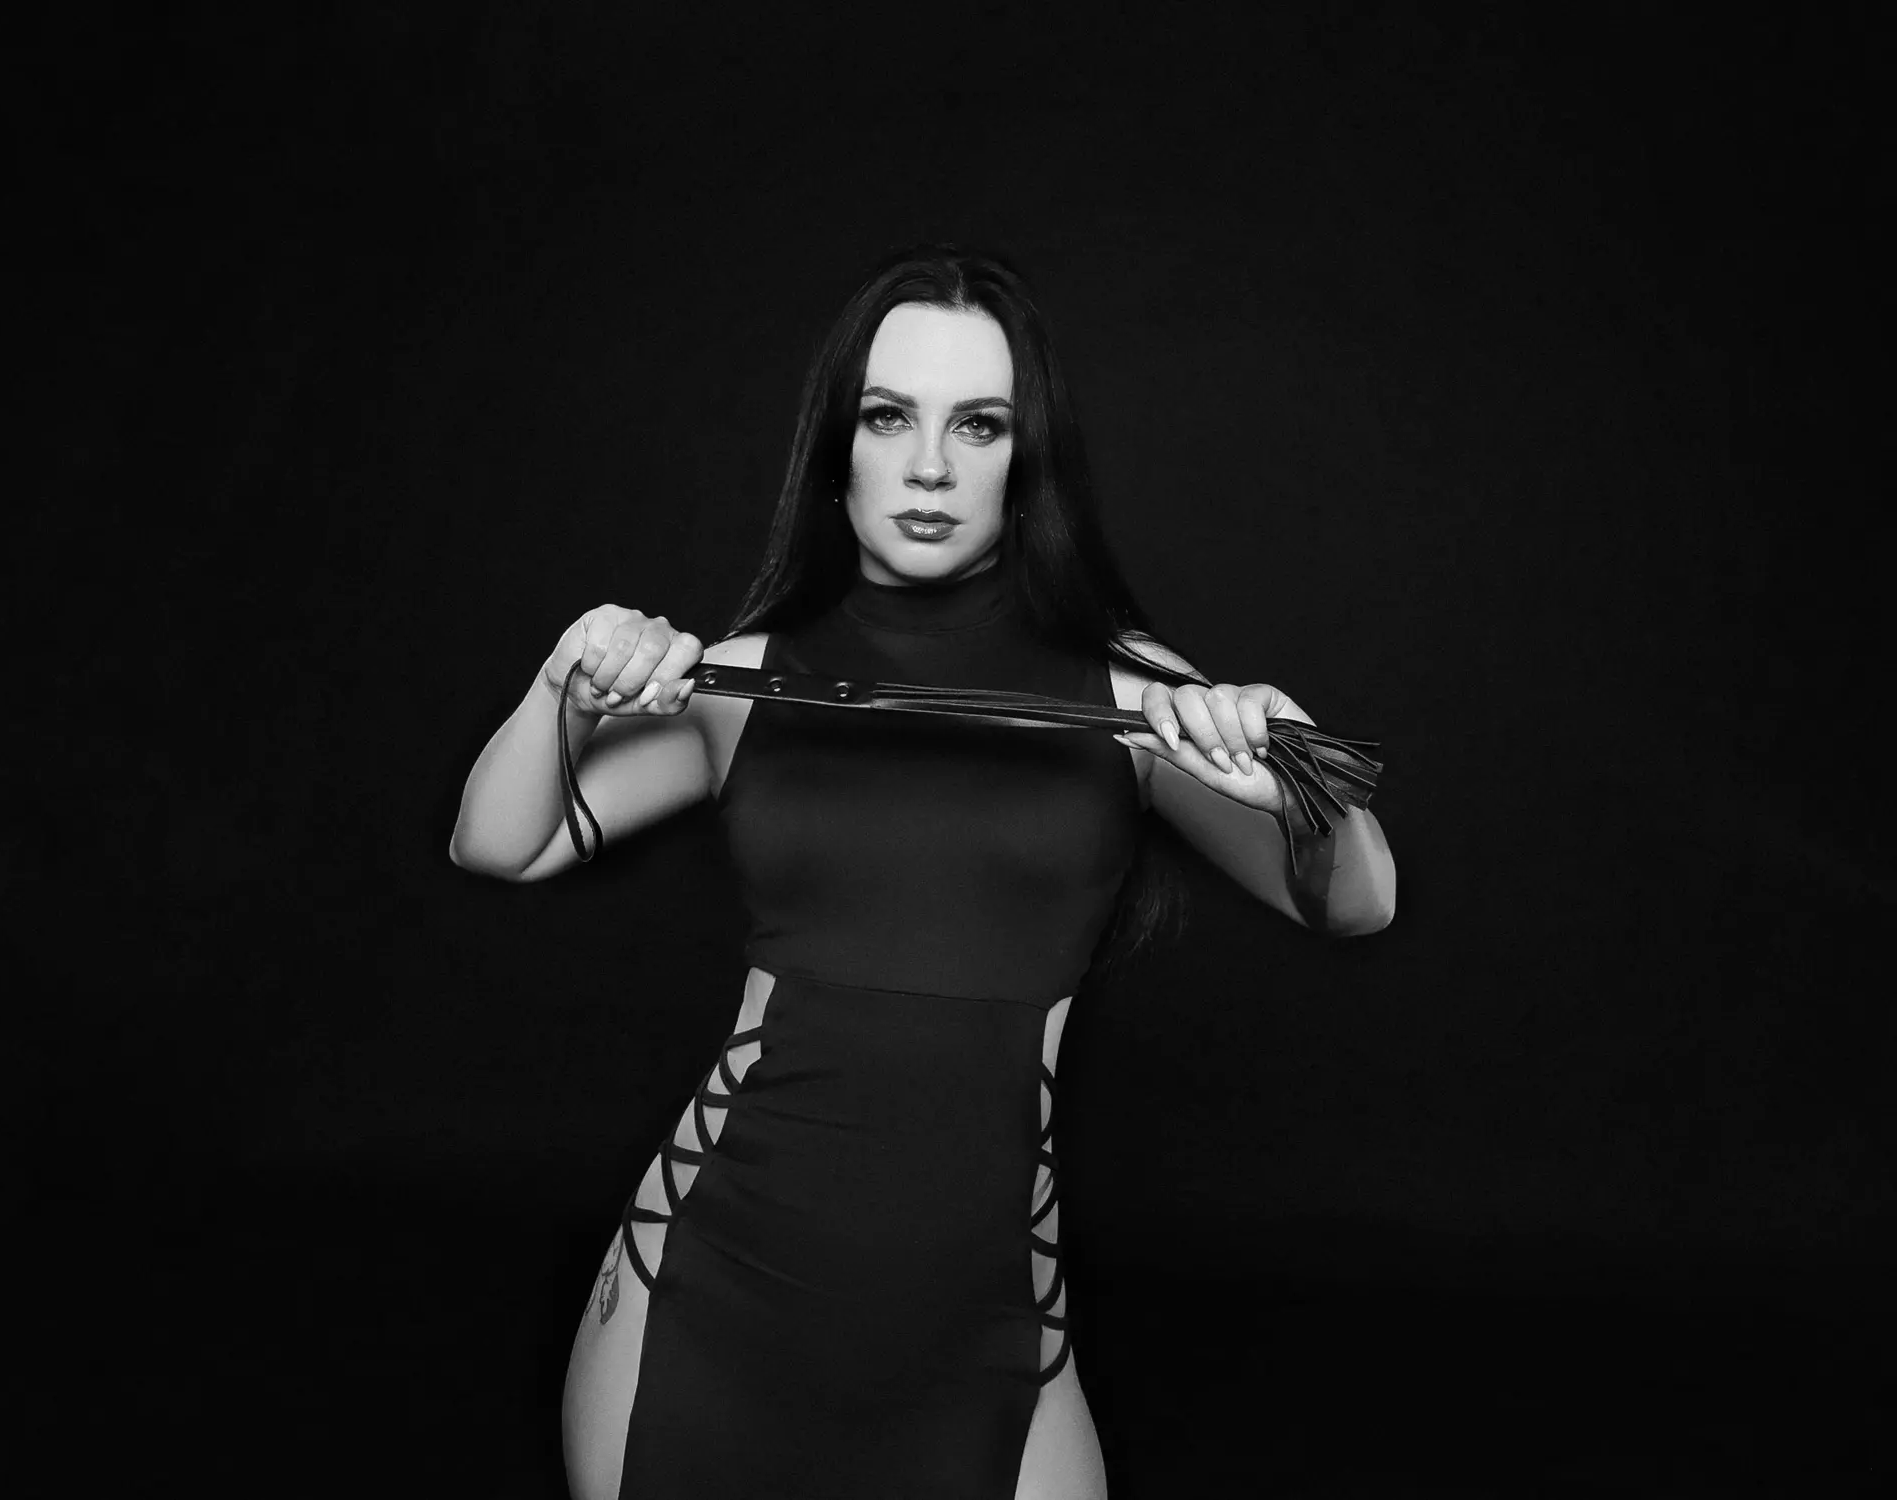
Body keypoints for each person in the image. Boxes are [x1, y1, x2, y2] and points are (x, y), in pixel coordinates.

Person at [449, 245, 1397, 1500]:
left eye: (979, 424)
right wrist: (562, 684)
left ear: (1027, 456)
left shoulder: (1129, 692)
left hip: (987, 1328)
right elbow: (498, 842)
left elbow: (1357, 903)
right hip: (711, 1287)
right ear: (835, 448)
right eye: (888, 416)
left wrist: (1292, 781)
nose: (931, 466)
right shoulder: (746, 676)